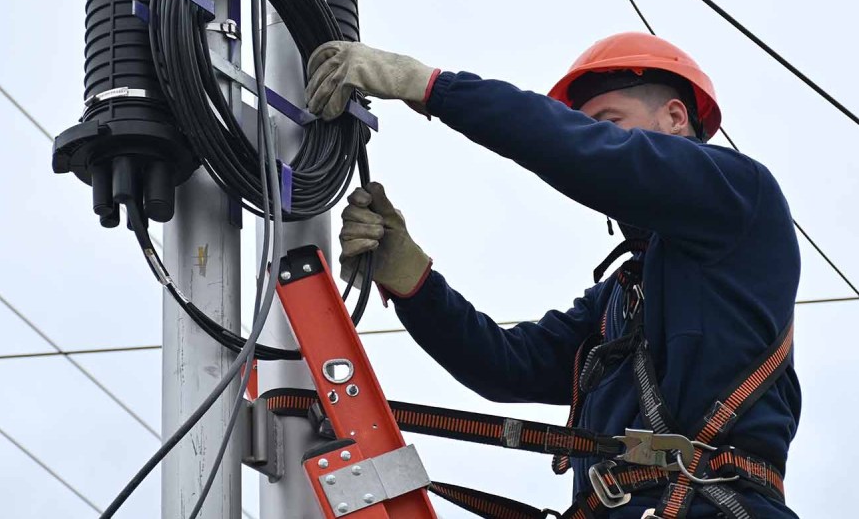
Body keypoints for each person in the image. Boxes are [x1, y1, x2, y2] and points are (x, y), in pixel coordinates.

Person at [305, 33, 801, 518]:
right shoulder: (619, 302)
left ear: (675, 116)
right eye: (585, 127)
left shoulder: (739, 196)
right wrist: (409, 278)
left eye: (608, 123)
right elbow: (505, 366)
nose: (592, 137)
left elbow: (588, 154)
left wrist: (432, 87)